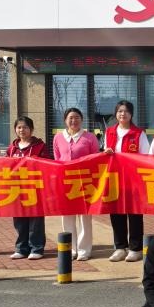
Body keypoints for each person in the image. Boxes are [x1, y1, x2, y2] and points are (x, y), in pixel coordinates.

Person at [104, 100, 151, 263]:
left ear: (131, 114)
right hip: (114, 178)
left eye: (126, 111)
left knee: (134, 213)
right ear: (116, 114)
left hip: (133, 180)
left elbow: (146, 157)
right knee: (116, 212)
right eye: (119, 111)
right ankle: (120, 247)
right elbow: (105, 153)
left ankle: (135, 248)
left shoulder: (138, 134)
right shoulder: (109, 132)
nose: (122, 114)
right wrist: (106, 152)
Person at [53, 107, 99, 261]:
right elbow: (57, 159)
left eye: (77, 117)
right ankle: (71, 248)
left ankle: (84, 250)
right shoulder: (58, 138)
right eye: (71, 118)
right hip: (66, 182)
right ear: (65, 120)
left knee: (85, 217)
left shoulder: (90, 137)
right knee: (67, 216)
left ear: (82, 119)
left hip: (85, 182)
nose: (74, 121)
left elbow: (96, 158)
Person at [6, 117, 51, 260]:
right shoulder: (12, 148)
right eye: (19, 127)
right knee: (19, 220)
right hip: (17, 190)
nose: (22, 130)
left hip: (34, 189)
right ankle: (21, 248)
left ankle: (37, 248)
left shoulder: (40, 146)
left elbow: (47, 164)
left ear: (31, 129)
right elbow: (5, 165)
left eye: (25, 127)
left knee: (36, 220)